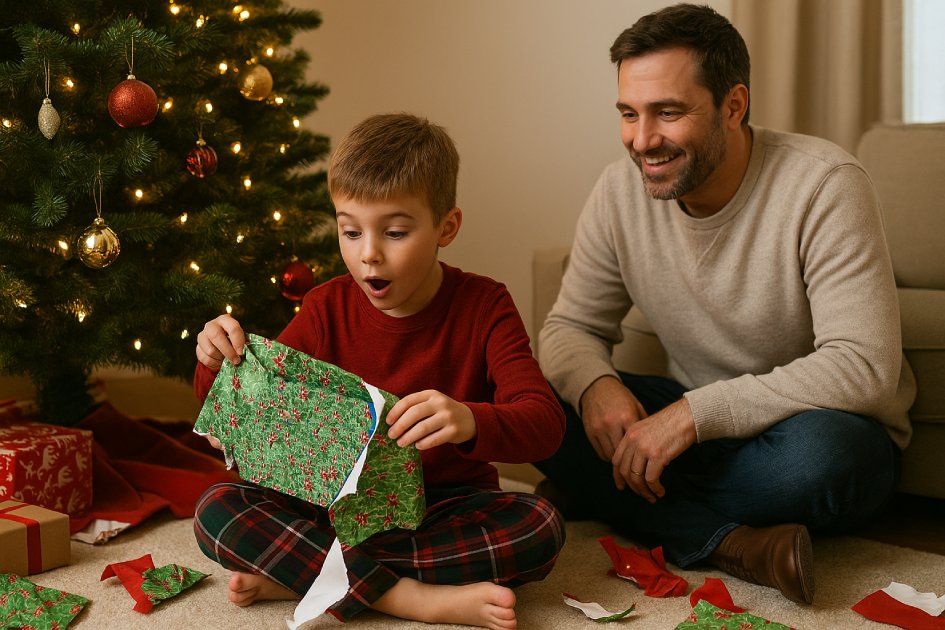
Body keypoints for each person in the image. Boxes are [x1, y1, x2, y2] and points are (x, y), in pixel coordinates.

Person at [534, 3, 915, 606]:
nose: (642, 140)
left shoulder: (825, 183)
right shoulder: (618, 192)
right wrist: (595, 388)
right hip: (697, 429)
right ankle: (733, 544)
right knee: (536, 399)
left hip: (811, 430)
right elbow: (570, 326)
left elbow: (864, 368)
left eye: (668, 113)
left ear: (733, 106)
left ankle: (608, 491)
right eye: (629, 114)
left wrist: (690, 416)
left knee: (822, 463)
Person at [192, 112, 566, 630]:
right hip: (335, 510)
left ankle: (308, 576)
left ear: (446, 227)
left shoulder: (485, 305)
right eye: (350, 231)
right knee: (216, 508)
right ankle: (404, 596)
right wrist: (215, 362)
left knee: (540, 526)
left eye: (393, 232)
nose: (368, 255)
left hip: (445, 507)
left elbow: (545, 423)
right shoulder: (326, 307)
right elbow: (249, 409)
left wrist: (470, 420)